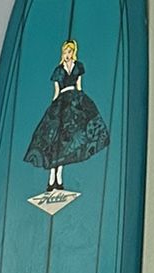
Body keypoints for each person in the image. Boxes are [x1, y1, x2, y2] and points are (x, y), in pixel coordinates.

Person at [24, 38, 111, 194]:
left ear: (73, 52)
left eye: (69, 52)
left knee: (66, 144)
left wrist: (82, 103)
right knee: (55, 141)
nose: (67, 55)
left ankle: (59, 178)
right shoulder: (59, 70)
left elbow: (79, 86)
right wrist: (53, 110)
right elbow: (56, 92)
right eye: (65, 52)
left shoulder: (78, 67)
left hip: (75, 101)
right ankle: (51, 178)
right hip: (61, 102)